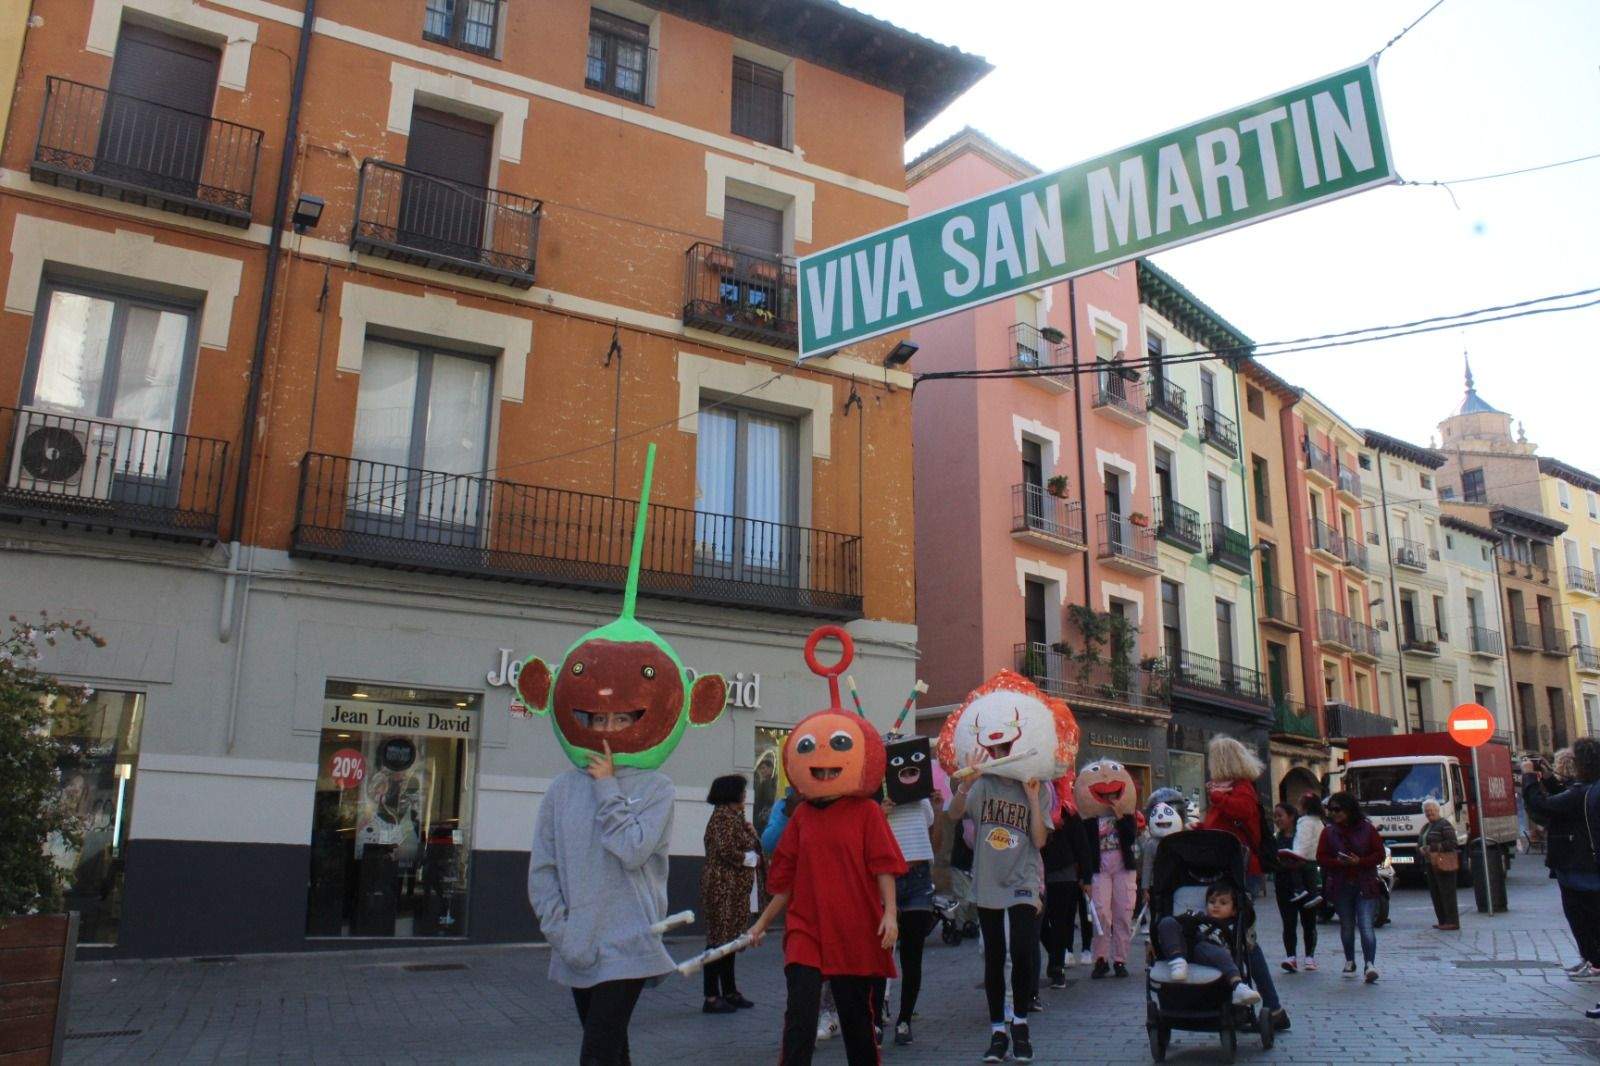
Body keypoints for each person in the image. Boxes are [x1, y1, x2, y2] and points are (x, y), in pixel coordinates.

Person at [949, 760, 1050, 1063]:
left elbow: (1040, 839)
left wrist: (1032, 798)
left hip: (1024, 878)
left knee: (1021, 950)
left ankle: (1020, 1025)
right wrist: (966, 784)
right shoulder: (983, 785)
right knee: (994, 955)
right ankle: (997, 1032)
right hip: (988, 879)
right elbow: (954, 814)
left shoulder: (1037, 786)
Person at [1520, 739, 1600, 992]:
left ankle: (1595, 962)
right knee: (1583, 917)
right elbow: (1563, 800)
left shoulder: (1584, 792)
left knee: (1584, 917)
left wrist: (1530, 780)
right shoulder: (1588, 790)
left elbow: (1544, 806)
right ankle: (1591, 959)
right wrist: (1549, 781)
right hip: (1579, 864)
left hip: (1582, 866)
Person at [874, 786, 938, 1045]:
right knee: (880, 955)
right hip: (887, 878)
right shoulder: (876, 804)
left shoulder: (922, 802)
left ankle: (904, 1020)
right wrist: (882, 815)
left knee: (913, 955)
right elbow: (871, 842)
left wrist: (937, 805)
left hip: (918, 879)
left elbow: (933, 840)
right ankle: (876, 1021)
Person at [699, 774, 760, 1013]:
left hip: (733, 888)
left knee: (730, 941)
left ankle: (730, 991)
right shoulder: (723, 818)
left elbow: (748, 841)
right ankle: (711, 996)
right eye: (742, 790)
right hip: (721, 887)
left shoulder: (735, 817)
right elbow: (726, 848)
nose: (745, 794)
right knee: (717, 941)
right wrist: (746, 859)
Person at [1153, 883, 1263, 1006]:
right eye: (1212, 902)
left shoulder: (1232, 925)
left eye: (1223, 903)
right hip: (1184, 947)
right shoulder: (1200, 916)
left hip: (1209, 952)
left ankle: (1238, 986)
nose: (1216, 905)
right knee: (1167, 922)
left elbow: (1246, 926)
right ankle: (1178, 961)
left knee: (1212, 950)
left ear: (1234, 910)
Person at [1318, 791, 1385, 983]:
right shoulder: (1328, 832)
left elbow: (1379, 854)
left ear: (1349, 809)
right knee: (1346, 925)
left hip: (1365, 883)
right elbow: (1321, 857)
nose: (1334, 813)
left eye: (1338, 809)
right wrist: (1340, 863)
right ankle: (1349, 960)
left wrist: (1360, 861)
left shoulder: (1367, 829)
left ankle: (1370, 964)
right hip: (1341, 885)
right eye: (1331, 810)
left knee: (1365, 924)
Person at [1272, 803, 1318, 973]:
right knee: (1288, 922)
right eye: (1275, 816)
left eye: (1280, 815)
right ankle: (1291, 957)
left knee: (1309, 921)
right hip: (1284, 884)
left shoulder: (1304, 835)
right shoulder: (1276, 838)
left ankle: (1309, 957)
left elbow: (1313, 855)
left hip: (1306, 882)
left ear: (1291, 816)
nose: (1277, 819)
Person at [1417, 799, 1460, 931]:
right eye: (1427, 811)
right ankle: (1442, 920)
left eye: (1432, 810)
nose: (1430, 813)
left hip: (1443, 863)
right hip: (1431, 863)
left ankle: (1452, 921)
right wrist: (1420, 848)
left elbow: (1452, 842)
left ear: (1437, 810)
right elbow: (1421, 841)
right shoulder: (1426, 826)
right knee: (1436, 893)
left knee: (1447, 892)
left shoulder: (1444, 824)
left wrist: (1433, 847)